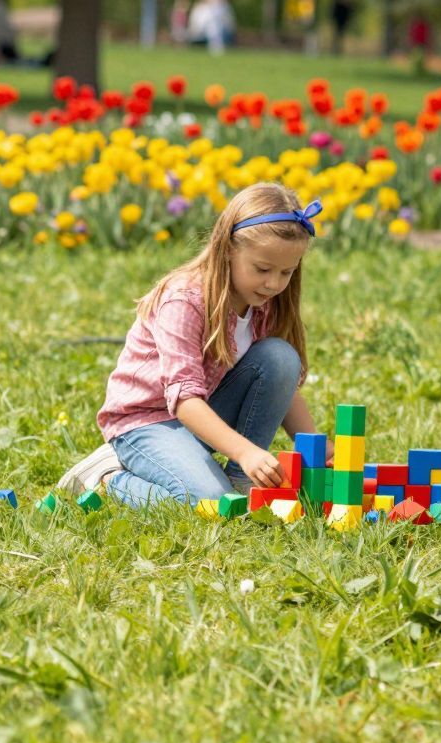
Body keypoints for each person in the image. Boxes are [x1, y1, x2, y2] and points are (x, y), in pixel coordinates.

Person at [83, 184, 330, 507]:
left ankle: (242, 481)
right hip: (146, 422)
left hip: (206, 413)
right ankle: (107, 479)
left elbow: (280, 381)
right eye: (262, 269)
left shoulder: (264, 301)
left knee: (280, 356)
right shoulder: (185, 299)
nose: (274, 283)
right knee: (212, 501)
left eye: (287, 272)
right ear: (228, 248)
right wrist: (245, 450)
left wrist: (317, 448)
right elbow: (185, 399)